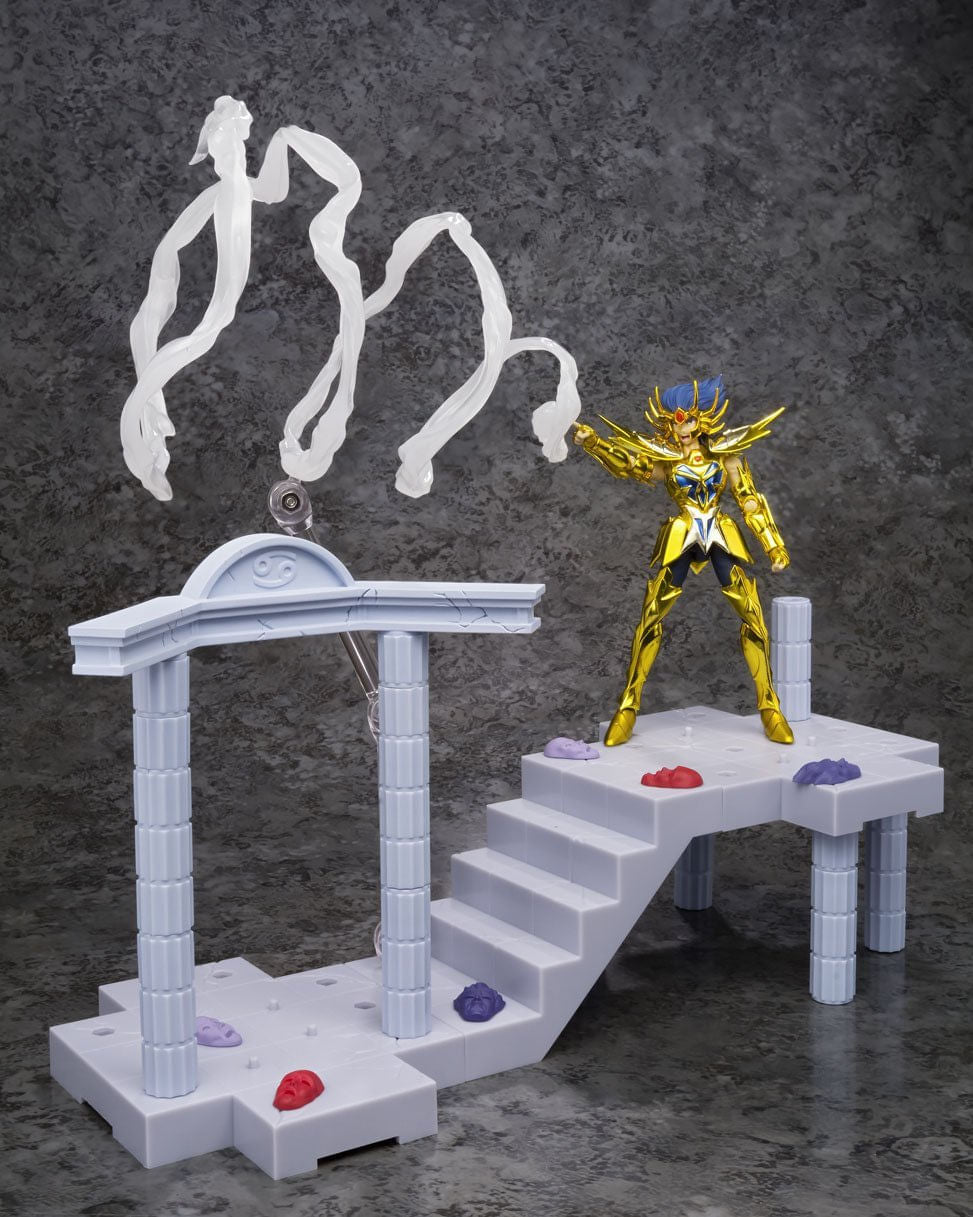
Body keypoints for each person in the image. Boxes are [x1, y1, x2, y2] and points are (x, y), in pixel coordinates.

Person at [572, 373, 793, 747]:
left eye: (687, 419)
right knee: (651, 616)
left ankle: (770, 707)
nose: (681, 428)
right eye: (674, 421)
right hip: (683, 533)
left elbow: (749, 500)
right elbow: (632, 466)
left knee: (752, 615)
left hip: (721, 533)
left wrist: (774, 546)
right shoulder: (668, 459)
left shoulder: (727, 454)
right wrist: (595, 443)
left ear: (703, 417)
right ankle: (627, 707)